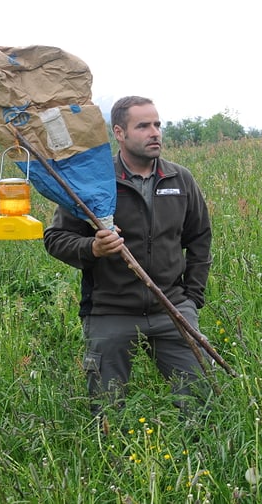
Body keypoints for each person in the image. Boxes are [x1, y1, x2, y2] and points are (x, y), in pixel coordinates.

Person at [44, 95, 213, 421]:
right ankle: (111, 465)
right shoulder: (93, 184)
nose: (155, 133)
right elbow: (55, 239)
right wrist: (93, 248)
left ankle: (198, 460)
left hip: (171, 308)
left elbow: (200, 240)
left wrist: (191, 298)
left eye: (157, 125)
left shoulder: (179, 180)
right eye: (143, 126)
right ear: (119, 133)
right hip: (110, 312)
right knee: (107, 414)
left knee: (201, 405)